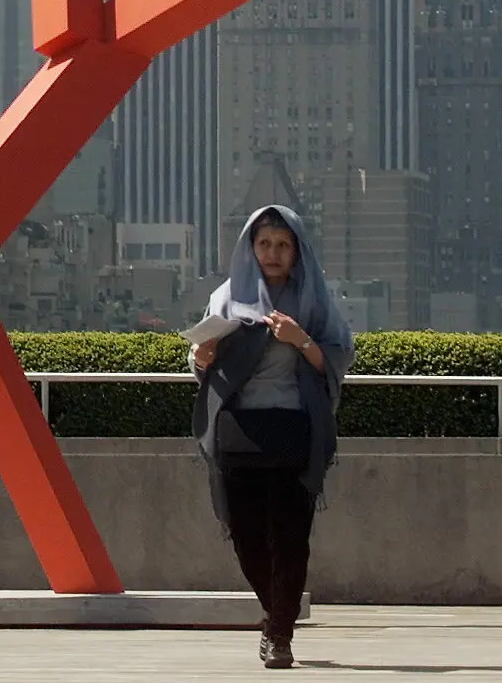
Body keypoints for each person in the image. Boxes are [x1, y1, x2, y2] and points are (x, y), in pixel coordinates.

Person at [189, 205, 354, 669]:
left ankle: (278, 633)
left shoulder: (313, 298)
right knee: (245, 534)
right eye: (265, 244)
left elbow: (337, 360)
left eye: (283, 245)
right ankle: (275, 611)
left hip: (294, 426)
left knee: (291, 535)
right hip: (238, 427)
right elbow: (201, 364)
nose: (273, 253)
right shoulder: (227, 297)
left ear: (297, 249)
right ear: (250, 247)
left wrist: (301, 339)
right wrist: (201, 356)